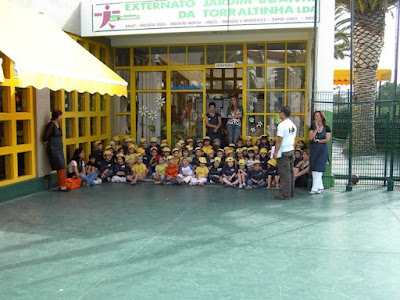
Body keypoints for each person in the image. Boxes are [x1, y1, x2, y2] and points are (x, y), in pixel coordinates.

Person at [273, 106, 297, 200]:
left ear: (282, 113)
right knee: (290, 173)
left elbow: (279, 140)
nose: (279, 114)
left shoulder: (282, 125)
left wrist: (276, 152)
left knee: (284, 174)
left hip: (283, 151)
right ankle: (290, 192)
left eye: (279, 112)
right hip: (291, 149)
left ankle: (286, 194)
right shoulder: (292, 125)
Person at [43, 110, 68, 191]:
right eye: (60, 116)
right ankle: (62, 186)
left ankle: (63, 183)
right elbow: (45, 136)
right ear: (56, 117)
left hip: (59, 147)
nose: (61, 117)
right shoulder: (51, 125)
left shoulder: (58, 125)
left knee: (62, 165)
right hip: (53, 148)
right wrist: (47, 142)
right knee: (60, 165)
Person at [309, 110, 331, 194]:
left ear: (321, 117)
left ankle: (314, 189)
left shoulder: (326, 128)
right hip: (314, 149)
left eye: (318, 116)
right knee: (314, 168)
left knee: (319, 168)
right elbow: (311, 138)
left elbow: (327, 139)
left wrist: (318, 141)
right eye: (315, 116)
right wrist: (316, 130)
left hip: (322, 150)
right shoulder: (312, 127)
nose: (316, 117)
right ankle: (320, 187)